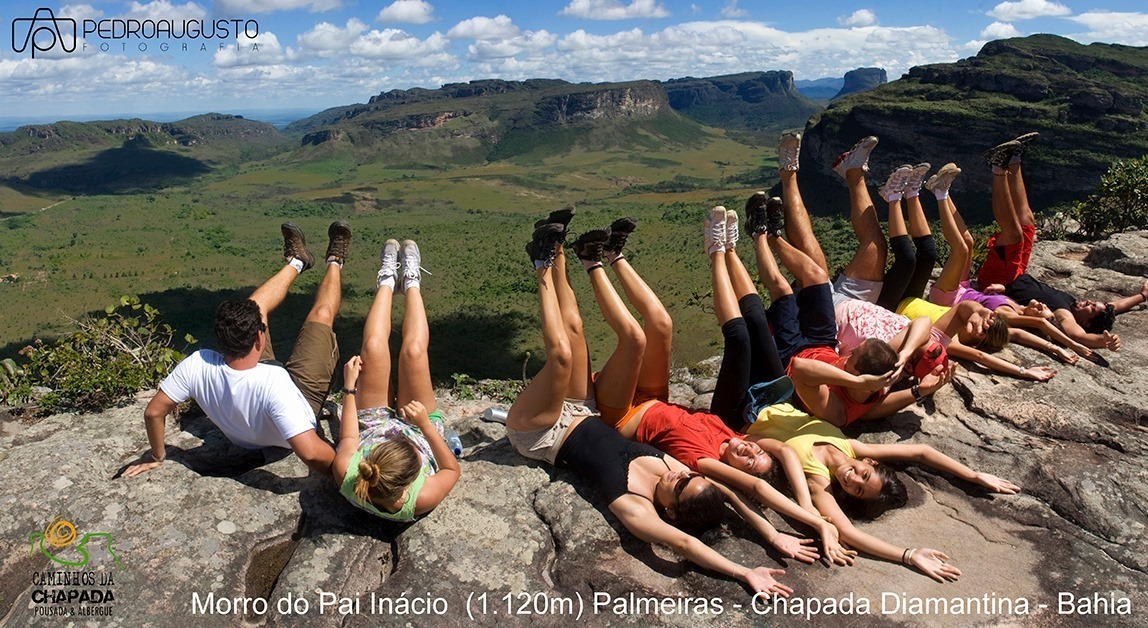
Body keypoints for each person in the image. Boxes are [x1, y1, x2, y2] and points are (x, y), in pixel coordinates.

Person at [505, 211, 797, 597]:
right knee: (574, 330)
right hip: (586, 409)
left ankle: (540, 264)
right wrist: (773, 533)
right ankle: (555, 251)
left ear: (671, 512)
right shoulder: (674, 471)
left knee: (560, 356)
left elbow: (685, 546)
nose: (680, 475)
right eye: (691, 478)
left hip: (541, 433)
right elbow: (731, 496)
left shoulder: (636, 507)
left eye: (681, 487)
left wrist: (745, 574)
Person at [564, 211, 854, 566]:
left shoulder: (703, 464)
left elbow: (752, 493)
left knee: (635, 340)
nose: (749, 452)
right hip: (655, 399)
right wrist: (811, 512)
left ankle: (590, 261)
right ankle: (613, 255)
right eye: (755, 452)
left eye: (748, 462)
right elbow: (783, 451)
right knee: (662, 324)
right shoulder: (731, 434)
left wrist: (783, 531)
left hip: (621, 413)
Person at [750, 135, 950, 428]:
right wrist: (908, 352)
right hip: (858, 299)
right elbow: (923, 325)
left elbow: (866, 408)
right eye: (927, 347)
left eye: (922, 352)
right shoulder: (901, 349)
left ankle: (788, 173)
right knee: (875, 246)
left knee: (812, 252)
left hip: (827, 313)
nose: (923, 345)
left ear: (909, 368)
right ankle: (853, 172)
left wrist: (914, 388)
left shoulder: (872, 372)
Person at [124, 221, 352, 478]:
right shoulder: (274, 385)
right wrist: (342, 473)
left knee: (253, 306)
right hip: (298, 402)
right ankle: (335, 260)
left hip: (255, 409)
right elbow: (310, 453)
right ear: (259, 338)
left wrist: (157, 456)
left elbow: (153, 412)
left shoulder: (197, 363)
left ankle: (297, 262)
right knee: (321, 315)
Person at [743, 402, 1020, 582]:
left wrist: (908, 555)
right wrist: (973, 474)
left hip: (745, 420)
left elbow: (850, 534)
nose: (853, 479)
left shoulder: (819, 484)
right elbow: (921, 452)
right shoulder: (853, 449)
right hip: (779, 396)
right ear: (870, 463)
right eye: (864, 475)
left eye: (858, 490)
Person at [872, 161, 1059, 382]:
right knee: (930, 253)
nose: (984, 318)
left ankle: (894, 198)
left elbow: (982, 356)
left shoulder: (954, 339)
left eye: (986, 324)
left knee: (908, 259)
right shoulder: (970, 316)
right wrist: (1059, 348)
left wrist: (1025, 371)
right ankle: (912, 193)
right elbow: (1015, 333)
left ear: (981, 336)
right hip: (914, 296)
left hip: (891, 305)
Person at [977, 133, 1147, 351]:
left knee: (1013, 234)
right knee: (1028, 221)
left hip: (1001, 280)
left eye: (1091, 308)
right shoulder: (1075, 304)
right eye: (1094, 302)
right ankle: (1014, 159)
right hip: (1019, 272)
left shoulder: (1064, 315)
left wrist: (1105, 342)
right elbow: (1114, 307)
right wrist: (1142, 296)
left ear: (1085, 323)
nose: (1089, 302)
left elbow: (1079, 337)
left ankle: (998, 167)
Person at [332, 239, 460, 521]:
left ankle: (387, 279)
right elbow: (451, 470)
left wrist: (349, 387)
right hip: (420, 429)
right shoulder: (421, 498)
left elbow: (351, 436)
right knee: (414, 352)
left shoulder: (348, 473)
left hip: (373, 424)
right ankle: (411, 280)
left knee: (374, 348)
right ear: (410, 482)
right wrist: (425, 425)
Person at [924, 162, 1094, 364]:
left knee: (960, 249)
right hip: (964, 288)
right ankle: (941, 188)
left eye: (1041, 310)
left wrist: (1066, 346)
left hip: (947, 298)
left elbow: (1039, 326)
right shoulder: (1015, 306)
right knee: (968, 242)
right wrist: (1000, 289)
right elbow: (1029, 323)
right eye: (1043, 307)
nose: (1040, 305)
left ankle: (940, 195)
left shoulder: (1008, 317)